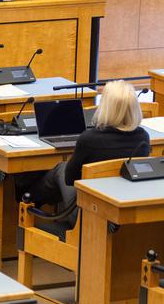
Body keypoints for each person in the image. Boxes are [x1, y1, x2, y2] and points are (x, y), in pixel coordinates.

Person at [24, 80, 149, 223]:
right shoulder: (143, 138)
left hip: (87, 214)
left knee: (62, 168)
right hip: (124, 211)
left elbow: (69, 180)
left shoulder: (89, 139)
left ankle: (28, 199)